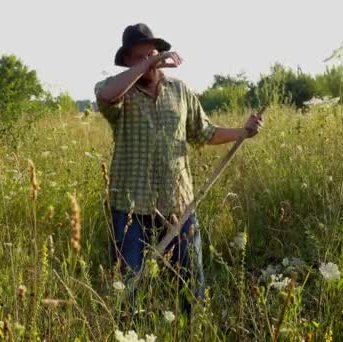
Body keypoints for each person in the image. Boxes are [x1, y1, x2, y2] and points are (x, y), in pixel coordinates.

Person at [94, 23, 262, 315]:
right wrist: (147, 64)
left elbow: (204, 132)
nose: (149, 62)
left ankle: (189, 330)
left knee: (191, 291)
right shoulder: (119, 91)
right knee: (129, 292)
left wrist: (243, 132)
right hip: (131, 211)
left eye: (152, 54)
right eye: (139, 57)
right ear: (128, 61)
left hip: (179, 209)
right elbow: (107, 96)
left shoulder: (180, 90)